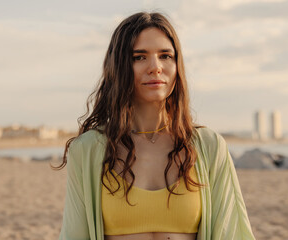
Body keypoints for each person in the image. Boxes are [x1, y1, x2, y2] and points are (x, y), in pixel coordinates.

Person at [55, 12, 256, 240]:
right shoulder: (87, 150)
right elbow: (75, 234)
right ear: (119, 66)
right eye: (139, 57)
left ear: (177, 64)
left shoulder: (209, 146)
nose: (155, 67)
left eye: (165, 56)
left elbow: (232, 233)